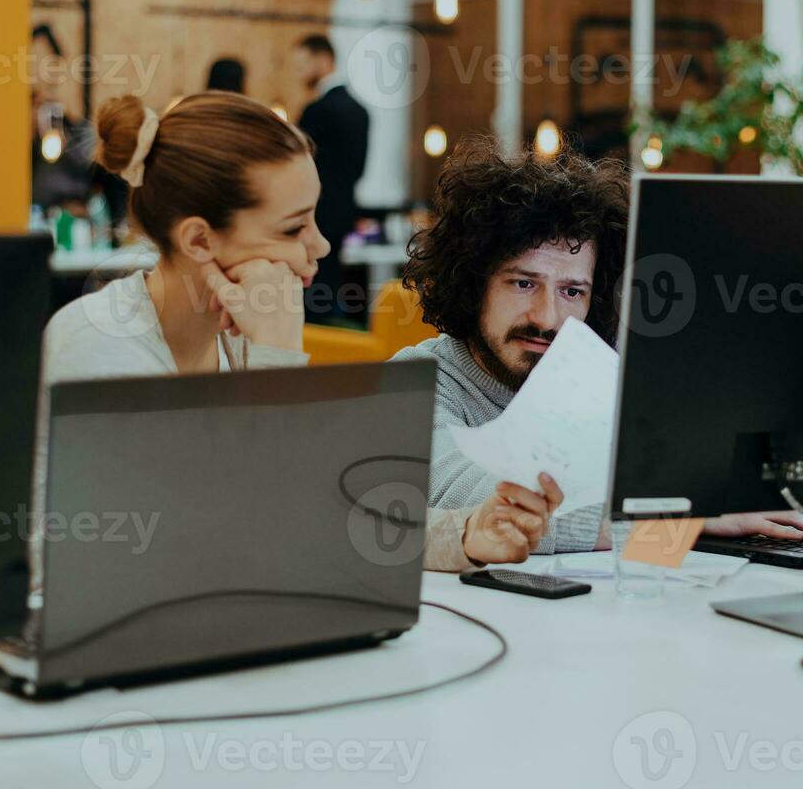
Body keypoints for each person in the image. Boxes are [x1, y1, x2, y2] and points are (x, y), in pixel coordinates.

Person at [34, 92, 551, 578]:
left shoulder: (234, 337)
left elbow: (320, 512)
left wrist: (466, 532)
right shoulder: (98, 343)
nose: (320, 245)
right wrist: (276, 358)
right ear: (199, 240)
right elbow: (222, 542)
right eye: (292, 228)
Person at [391, 136, 803, 553]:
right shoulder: (413, 380)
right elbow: (489, 508)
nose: (547, 318)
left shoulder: (605, 377)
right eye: (523, 283)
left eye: (572, 292)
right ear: (472, 282)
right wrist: (683, 518)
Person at [292, 34, 368, 323]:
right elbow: (358, 169)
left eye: (302, 64)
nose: (297, 72)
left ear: (323, 60)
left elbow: (295, 169)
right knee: (329, 282)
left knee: (310, 291)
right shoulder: (359, 110)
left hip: (314, 213)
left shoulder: (317, 111)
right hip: (344, 211)